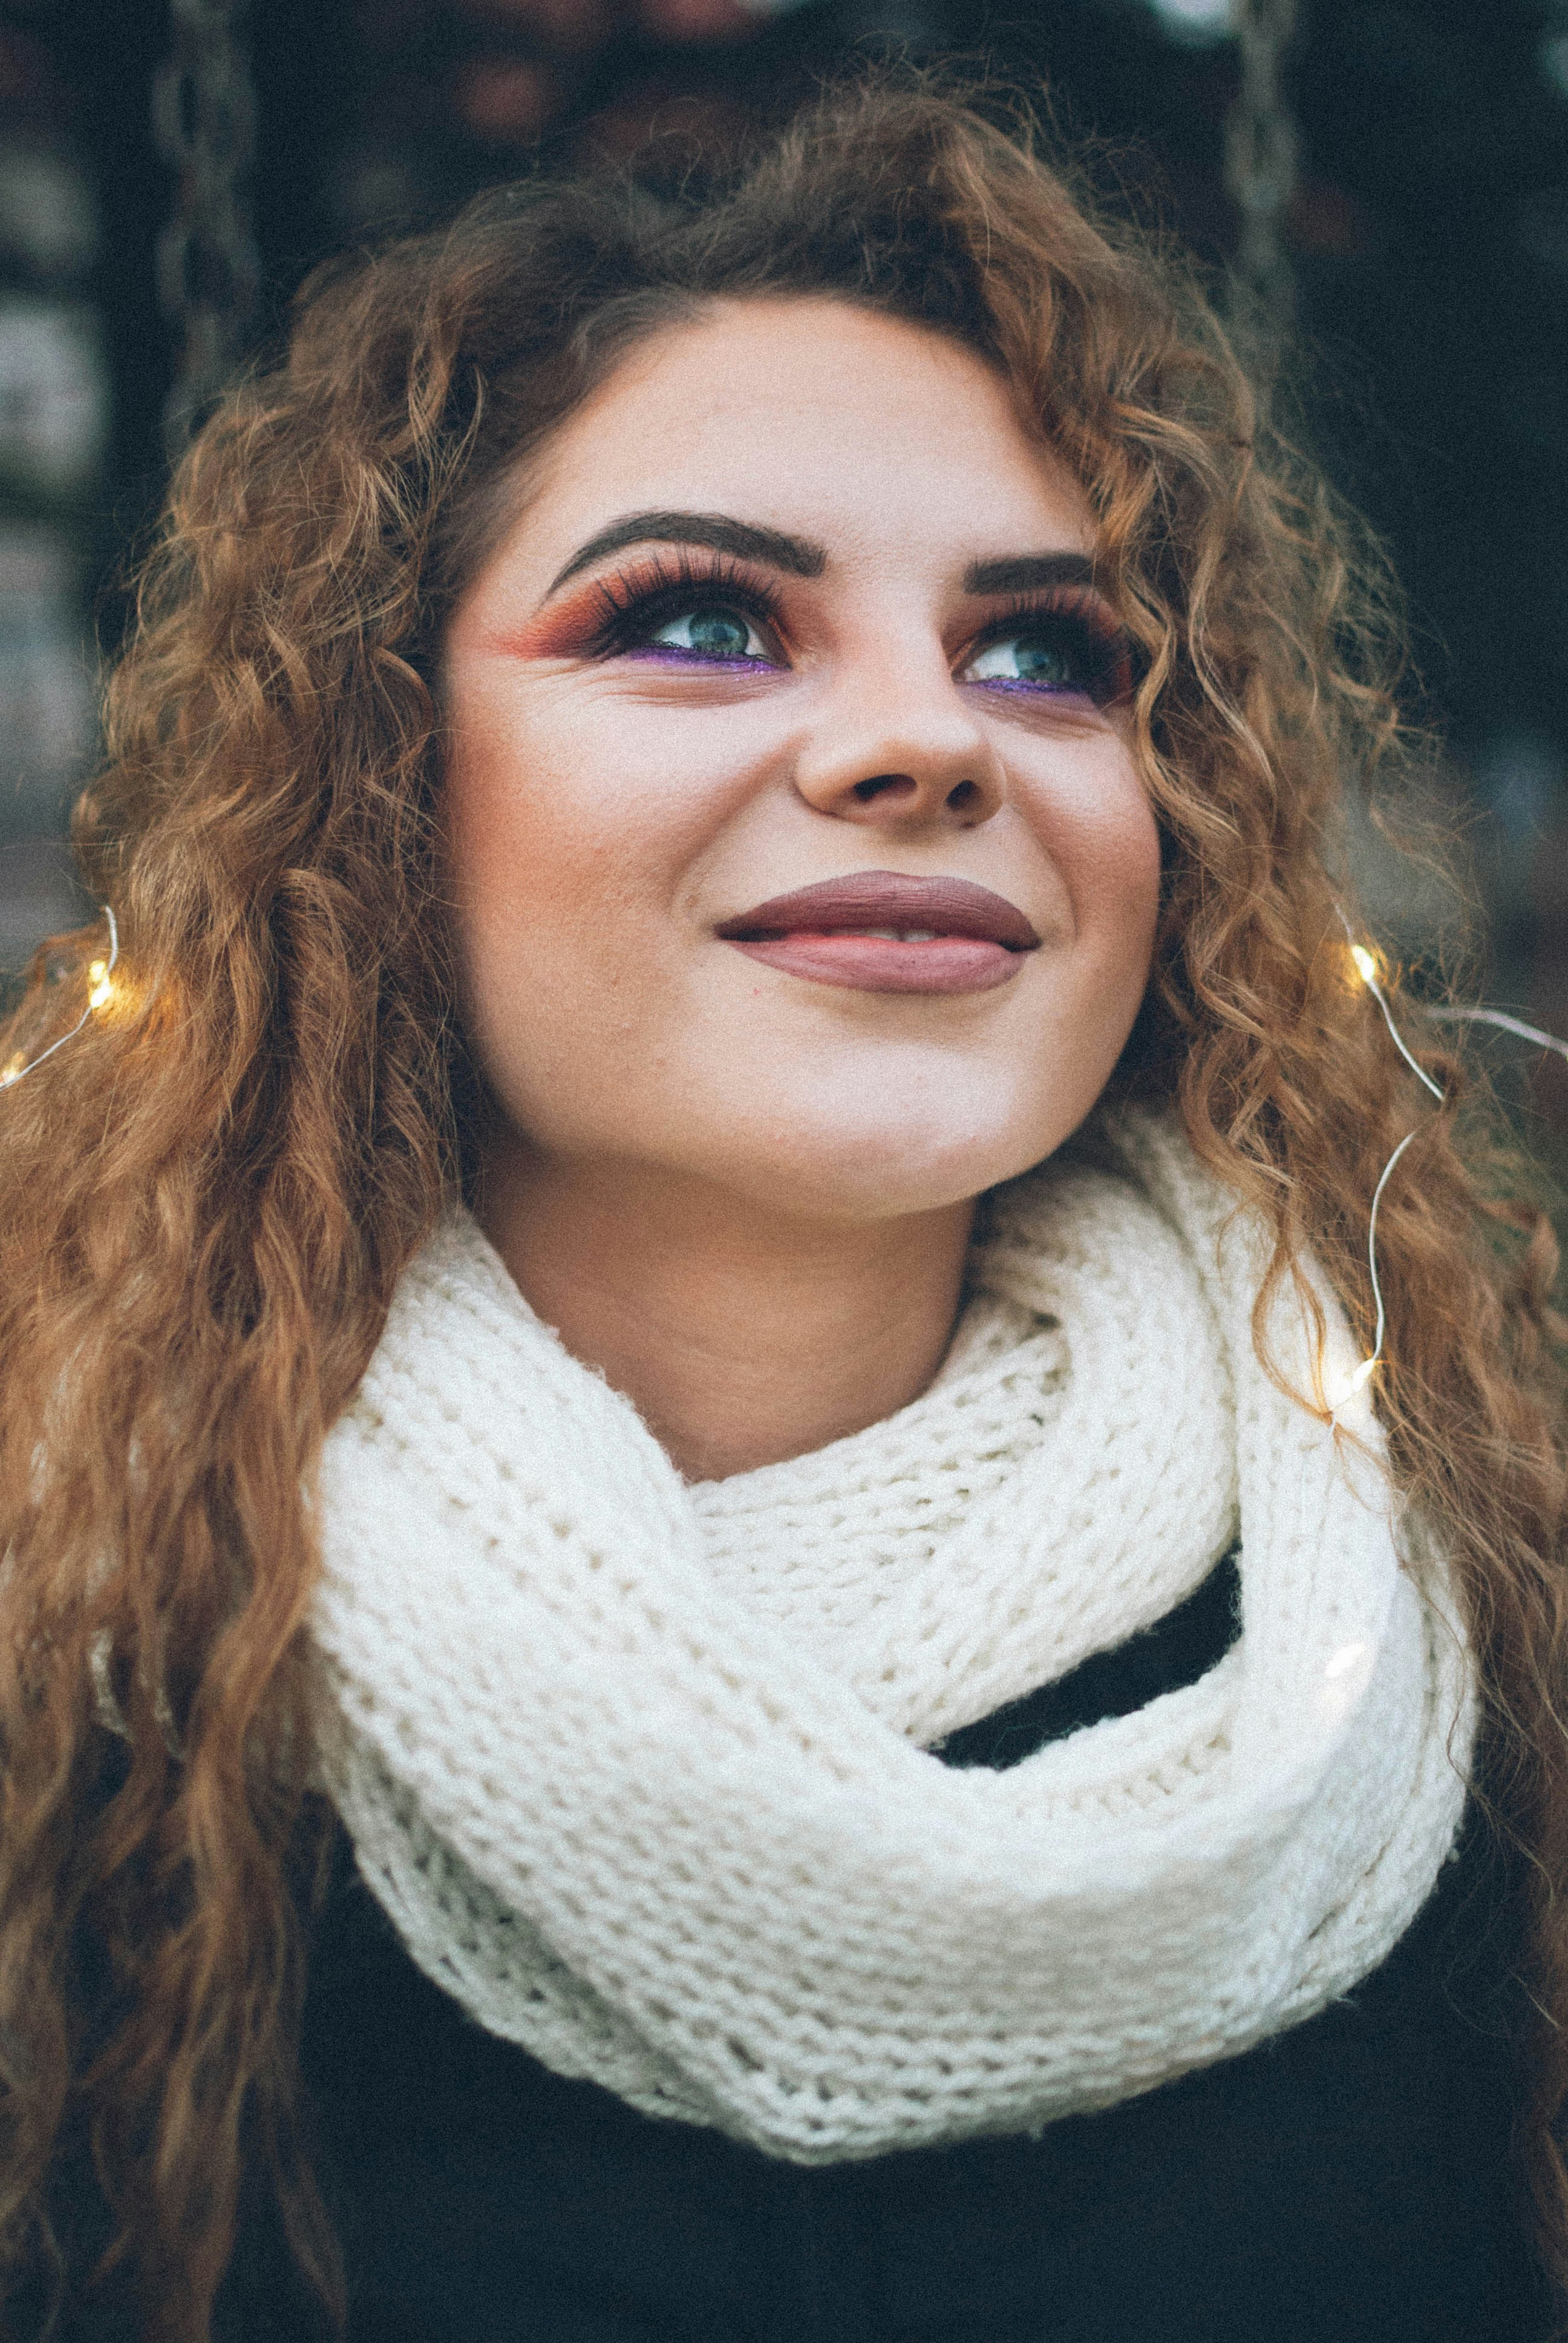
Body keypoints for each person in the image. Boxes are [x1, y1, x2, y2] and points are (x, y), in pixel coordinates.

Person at [0, 70, 1563, 2343]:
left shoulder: (1481, 1650)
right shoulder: (78, 1682)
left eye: (1052, 653)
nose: (925, 742)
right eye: (704, 621)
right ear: (374, 773)